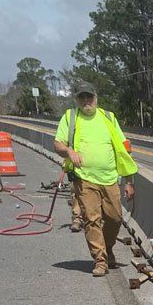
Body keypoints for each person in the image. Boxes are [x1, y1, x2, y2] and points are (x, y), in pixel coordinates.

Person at [54, 83, 137, 276]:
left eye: (89, 97)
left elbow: (124, 150)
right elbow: (57, 143)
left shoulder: (108, 118)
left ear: (96, 98)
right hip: (84, 179)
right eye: (82, 97)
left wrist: (129, 181)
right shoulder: (70, 117)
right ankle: (100, 260)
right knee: (92, 220)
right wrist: (69, 151)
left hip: (110, 179)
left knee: (115, 218)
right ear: (77, 99)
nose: (86, 101)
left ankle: (107, 249)